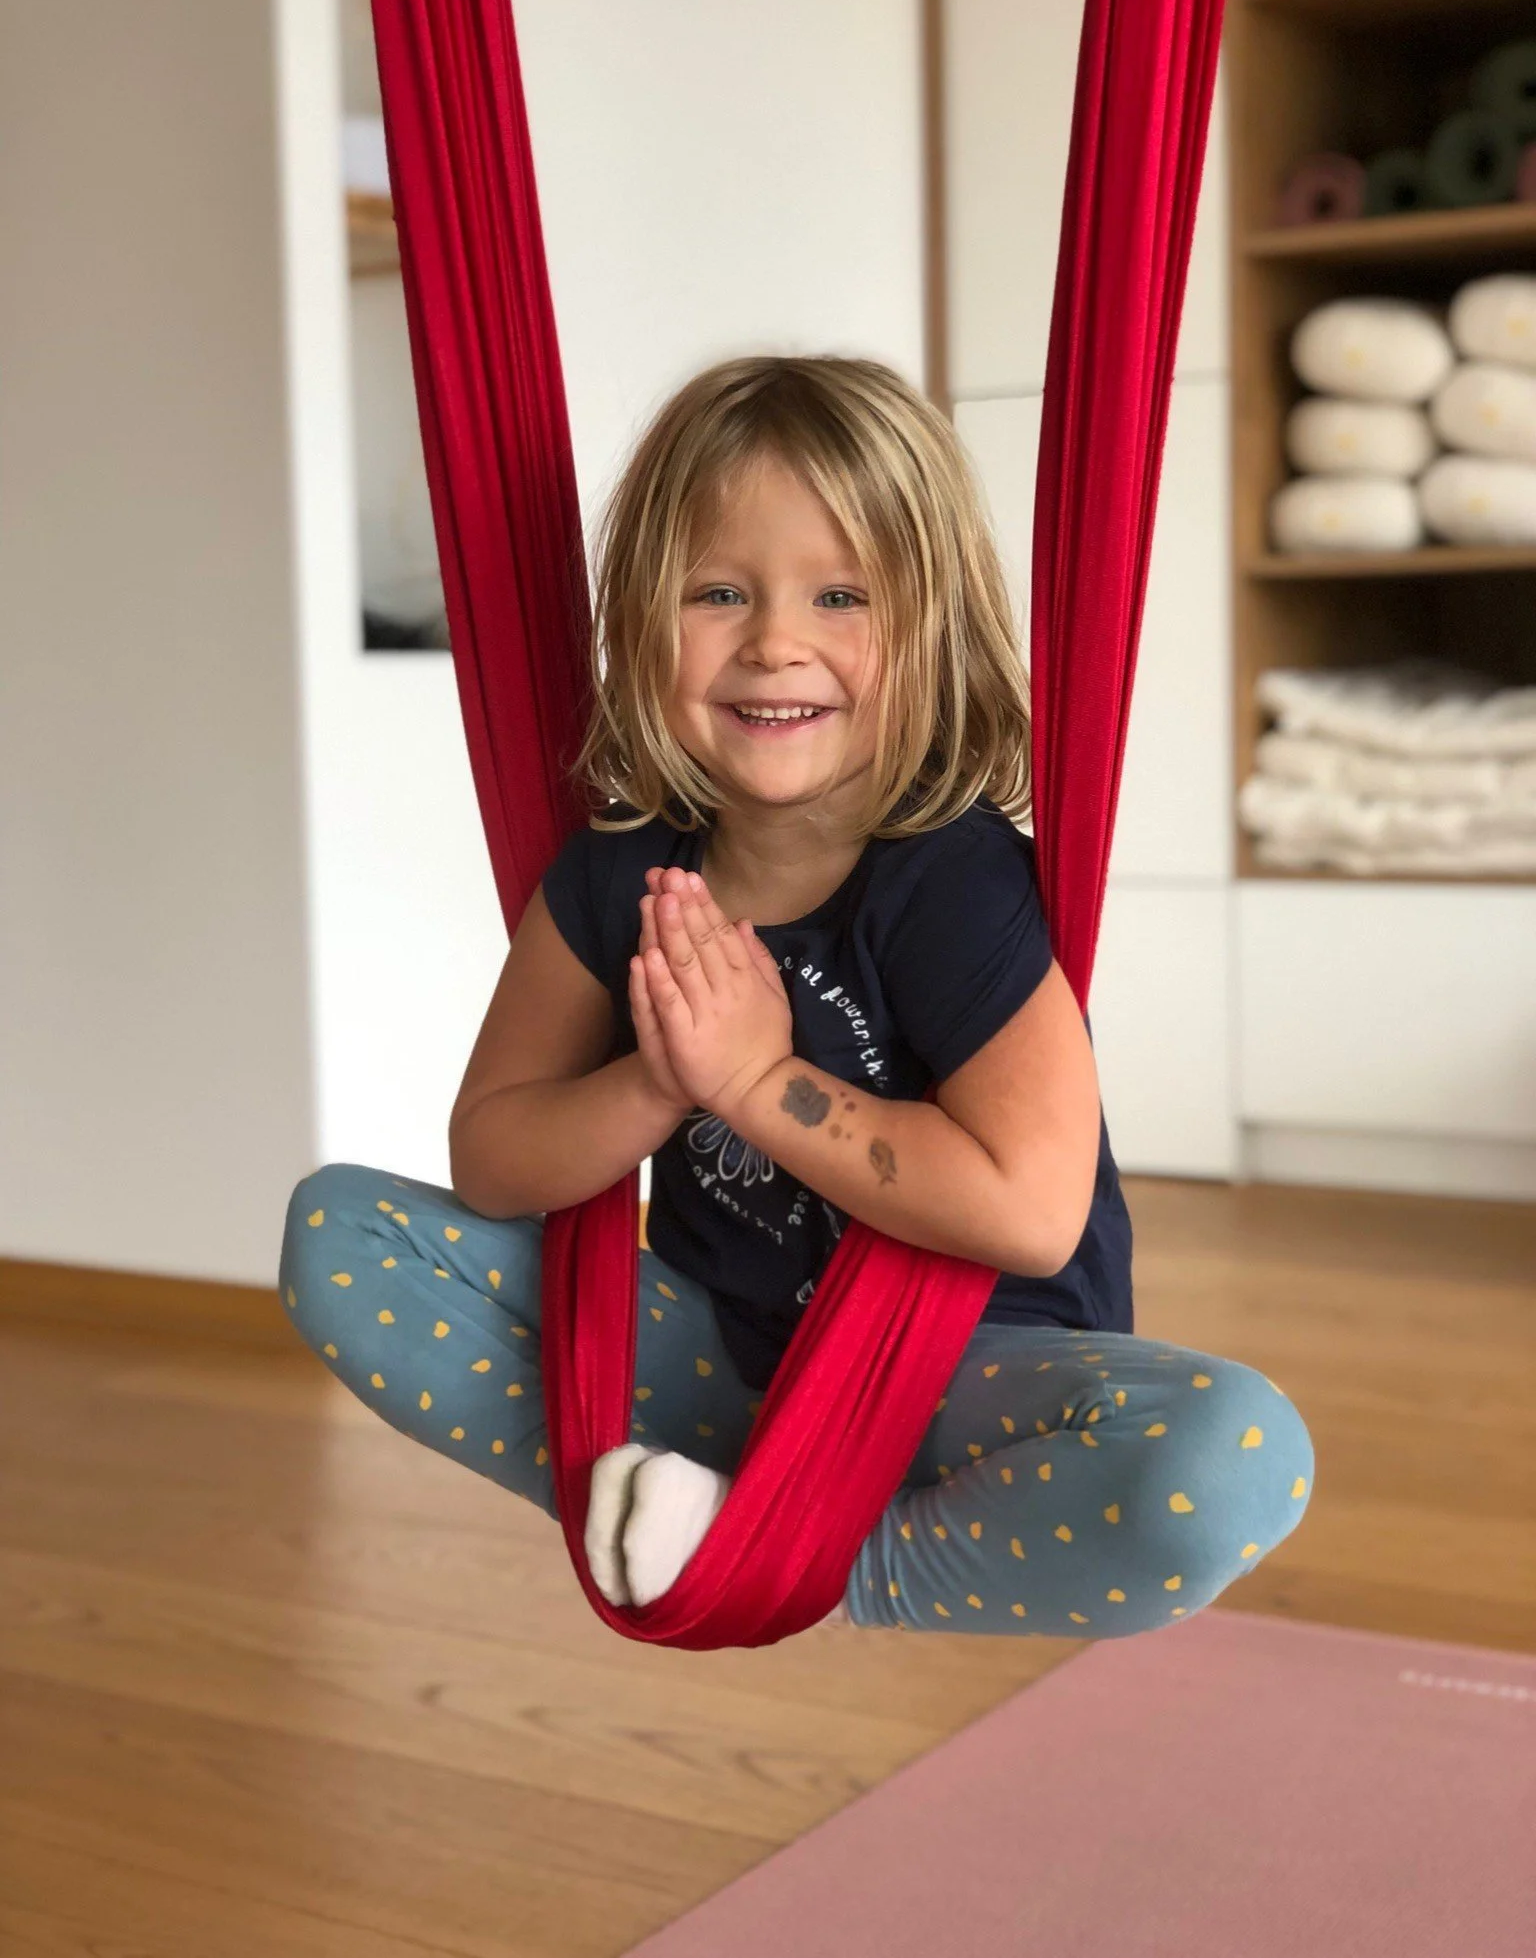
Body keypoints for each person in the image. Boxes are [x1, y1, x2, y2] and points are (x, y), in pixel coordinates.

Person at [280, 355, 1312, 1634]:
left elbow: (1032, 1211)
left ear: (932, 627)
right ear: (641, 626)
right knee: (339, 1235)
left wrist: (760, 1086)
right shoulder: (622, 873)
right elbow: (493, 1156)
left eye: (841, 596)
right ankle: (695, 1491)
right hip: (723, 1360)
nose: (775, 641)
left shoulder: (949, 875)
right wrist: (661, 1078)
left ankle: (806, 1556)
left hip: (968, 1379)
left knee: (1234, 1453)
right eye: (719, 592)